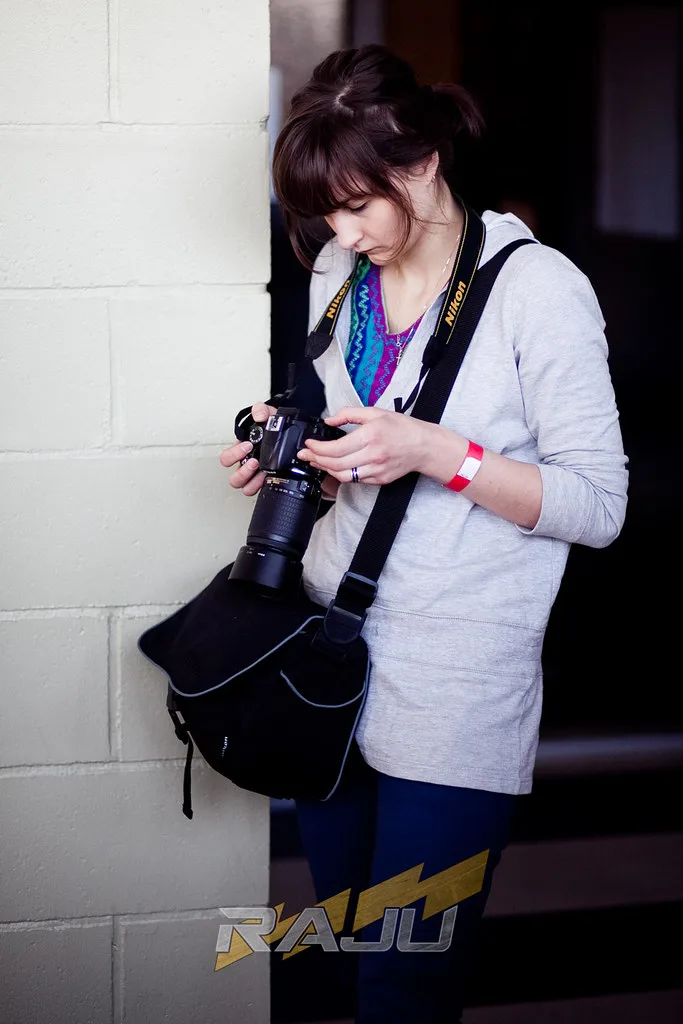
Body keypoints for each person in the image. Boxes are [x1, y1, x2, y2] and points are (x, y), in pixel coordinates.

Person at [219, 44, 628, 1024]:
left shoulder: (536, 288)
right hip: (328, 661)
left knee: (406, 981)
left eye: (358, 204)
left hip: (455, 688)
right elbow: (357, 450)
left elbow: (596, 505)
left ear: (422, 163)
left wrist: (438, 451)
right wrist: (297, 457)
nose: (341, 232)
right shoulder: (337, 269)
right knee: (351, 957)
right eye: (325, 212)